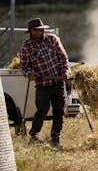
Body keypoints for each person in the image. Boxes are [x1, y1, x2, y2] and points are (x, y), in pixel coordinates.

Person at [18, 18, 70, 147]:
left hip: (58, 82)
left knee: (59, 111)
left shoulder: (53, 39)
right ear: (30, 31)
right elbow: (24, 66)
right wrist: (30, 74)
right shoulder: (26, 47)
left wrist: (65, 72)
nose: (37, 32)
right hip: (42, 84)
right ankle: (34, 134)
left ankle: (55, 138)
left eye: (40, 30)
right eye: (34, 30)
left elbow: (63, 57)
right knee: (42, 110)